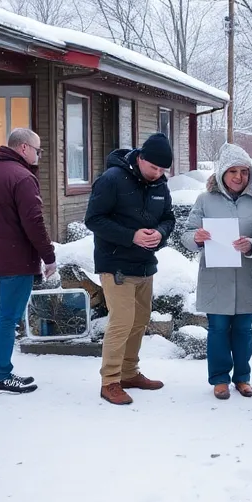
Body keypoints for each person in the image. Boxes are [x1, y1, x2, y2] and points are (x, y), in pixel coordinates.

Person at [85, 133, 176, 406]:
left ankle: (129, 373)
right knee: (122, 320)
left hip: (145, 264)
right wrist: (131, 236)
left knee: (139, 320)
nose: (157, 174)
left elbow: (169, 218)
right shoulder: (112, 179)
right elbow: (94, 219)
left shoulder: (160, 186)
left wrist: (160, 233)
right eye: (154, 168)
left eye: (162, 170)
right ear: (141, 158)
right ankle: (110, 381)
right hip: (116, 265)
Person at [181, 144, 252, 399]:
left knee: (244, 331)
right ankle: (219, 378)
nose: (238, 177)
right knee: (218, 329)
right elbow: (186, 235)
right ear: (222, 173)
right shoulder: (204, 200)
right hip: (216, 278)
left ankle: (242, 378)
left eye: (243, 171)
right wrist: (197, 238)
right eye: (232, 171)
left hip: (246, 277)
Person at [0, 127, 55, 396]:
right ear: (23, 148)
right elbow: (34, 223)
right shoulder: (22, 178)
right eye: (37, 150)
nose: (39, 155)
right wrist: (48, 256)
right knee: (8, 318)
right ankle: (1, 376)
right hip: (16, 260)